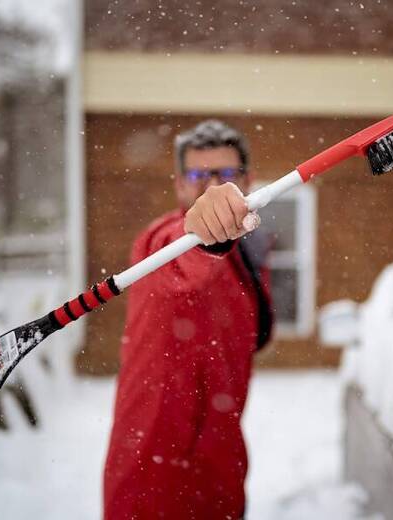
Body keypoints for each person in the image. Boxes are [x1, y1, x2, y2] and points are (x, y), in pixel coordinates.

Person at [103, 119, 274, 519]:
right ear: (180, 184)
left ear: (247, 181)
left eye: (225, 174)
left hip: (222, 474)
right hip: (151, 483)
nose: (212, 187)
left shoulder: (247, 257)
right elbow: (180, 258)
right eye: (199, 175)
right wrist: (203, 241)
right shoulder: (162, 244)